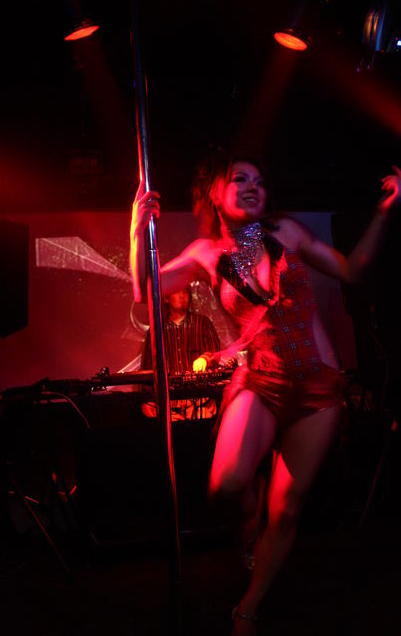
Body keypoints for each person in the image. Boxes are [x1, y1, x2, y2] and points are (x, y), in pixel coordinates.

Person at [130, 154, 400, 635]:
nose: (254, 186)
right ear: (216, 193)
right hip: (261, 381)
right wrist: (137, 233)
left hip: (318, 388)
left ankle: (248, 608)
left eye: (259, 180)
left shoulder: (287, 233)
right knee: (226, 484)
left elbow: (353, 268)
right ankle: (248, 513)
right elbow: (145, 294)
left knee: (288, 508)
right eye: (240, 179)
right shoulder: (205, 253)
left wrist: (383, 213)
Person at [141, 286, 222, 420]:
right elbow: (149, 366)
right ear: (166, 299)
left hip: (200, 400)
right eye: (177, 291)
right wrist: (147, 399)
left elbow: (216, 353)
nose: (182, 295)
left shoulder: (202, 323)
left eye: (185, 292)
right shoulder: (157, 329)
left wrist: (205, 359)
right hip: (169, 404)